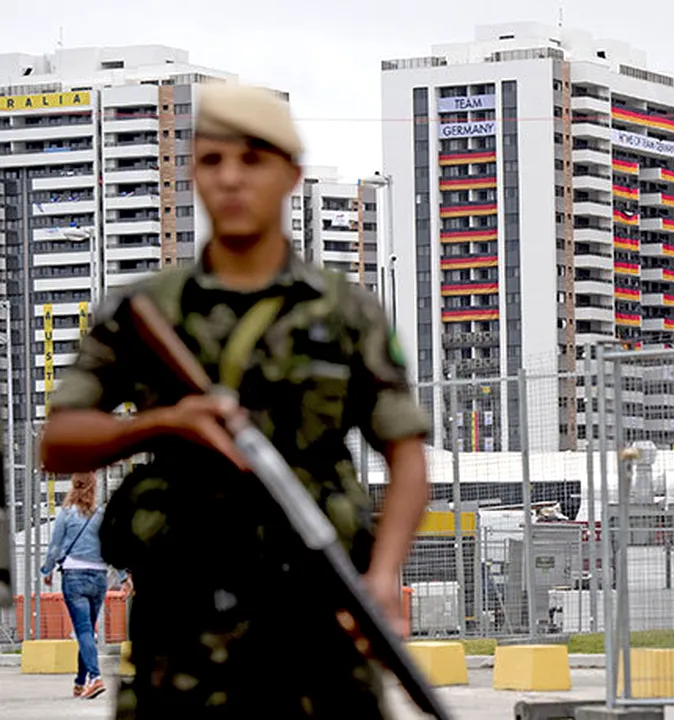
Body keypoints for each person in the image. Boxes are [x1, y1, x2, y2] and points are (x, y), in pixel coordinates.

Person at [38, 83, 432, 719]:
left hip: (317, 624)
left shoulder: (345, 312)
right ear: (193, 172)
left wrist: (383, 575)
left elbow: (406, 457)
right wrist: (163, 424)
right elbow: (58, 442)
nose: (231, 179)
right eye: (213, 161)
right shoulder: (144, 311)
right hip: (181, 634)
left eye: (253, 160)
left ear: (291, 175)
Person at [40, 472, 109, 700]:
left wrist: (47, 570)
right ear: (94, 487)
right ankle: (81, 681)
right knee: (87, 629)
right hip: (99, 577)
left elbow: (54, 546)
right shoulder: (102, 515)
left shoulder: (66, 514)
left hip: (74, 576)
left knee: (83, 629)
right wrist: (125, 574)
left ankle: (96, 677)